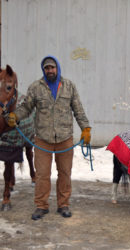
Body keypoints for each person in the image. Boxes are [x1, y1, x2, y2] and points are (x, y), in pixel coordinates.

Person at [6, 55, 91, 220]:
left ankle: (63, 204)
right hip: (43, 139)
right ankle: (41, 205)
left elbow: (78, 110)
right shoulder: (36, 87)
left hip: (64, 137)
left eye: (52, 67)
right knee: (42, 174)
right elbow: (26, 108)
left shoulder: (69, 87)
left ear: (57, 68)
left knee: (65, 173)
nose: (50, 70)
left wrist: (85, 128)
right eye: (46, 68)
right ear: (43, 70)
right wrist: (15, 116)